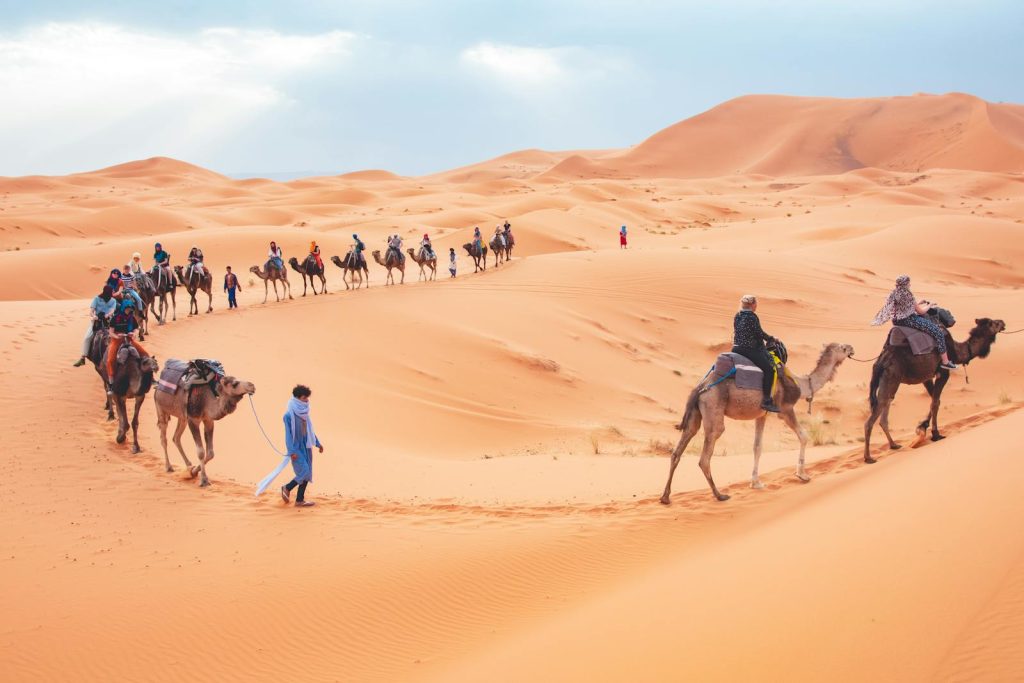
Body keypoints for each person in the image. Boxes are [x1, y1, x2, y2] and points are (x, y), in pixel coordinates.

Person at [872, 275, 956, 370]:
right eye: (908, 283)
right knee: (938, 333)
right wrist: (930, 305)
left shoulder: (893, 294)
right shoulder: (908, 295)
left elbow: (903, 307)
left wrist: (918, 303)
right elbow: (921, 312)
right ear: (906, 284)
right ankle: (945, 362)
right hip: (909, 320)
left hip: (896, 321)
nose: (910, 285)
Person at [732, 295, 781, 413]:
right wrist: (772, 338)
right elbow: (759, 334)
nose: (756, 306)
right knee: (770, 369)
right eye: (756, 304)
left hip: (736, 349)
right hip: (748, 350)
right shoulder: (752, 317)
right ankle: (766, 401)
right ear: (752, 305)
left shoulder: (737, 315)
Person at [280, 384, 324, 508]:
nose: (307, 400)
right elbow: (288, 436)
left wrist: (318, 443)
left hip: (307, 447)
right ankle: (287, 488)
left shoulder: (305, 414)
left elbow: (310, 431)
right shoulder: (288, 415)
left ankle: (299, 500)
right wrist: (291, 451)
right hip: (296, 448)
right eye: (305, 398)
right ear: (298, 398)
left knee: (307, 473)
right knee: (304, 471)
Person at [105, 301, 150, 383]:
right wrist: (117, 336)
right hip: (116, 340)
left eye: (130, 309)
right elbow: (111, 332)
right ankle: (111, 381)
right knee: (110, 360)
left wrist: (134, 333)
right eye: (128, 308)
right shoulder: (115, 318)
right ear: (124, 308)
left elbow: (136, 328)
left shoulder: (131, 318)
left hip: (129, 339)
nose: (129, 310)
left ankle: (149, 377)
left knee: (145, 354)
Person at [73, 285, 117, 367]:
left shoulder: (113, 301)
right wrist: (94, 316)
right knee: (87, 338)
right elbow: (91, 311)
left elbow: (112, 311)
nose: (113, 293)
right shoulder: (97, 299)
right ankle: (83, 358)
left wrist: (106, 316)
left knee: (118, 336)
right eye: (112, 292)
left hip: (108, 321)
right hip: (96, 321)